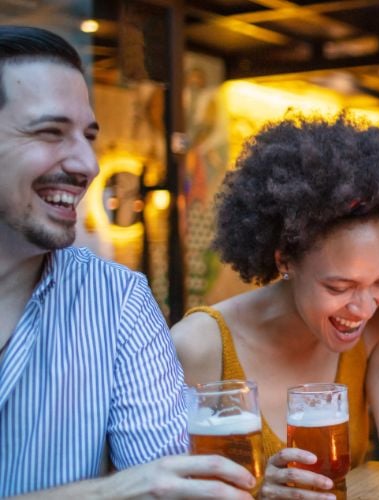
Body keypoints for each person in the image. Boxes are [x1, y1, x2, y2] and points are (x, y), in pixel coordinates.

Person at [0, 25, 255, 498]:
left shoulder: (118, 300)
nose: (88, 164)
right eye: (51, 132)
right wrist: (105, 492)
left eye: (88, 136)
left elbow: (169, 482)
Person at [170, 113, 379, 499]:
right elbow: (159, 485)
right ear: (284, 261)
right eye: (340, 286)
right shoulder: (199, 344)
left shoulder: (375, 328)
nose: (363, 308)